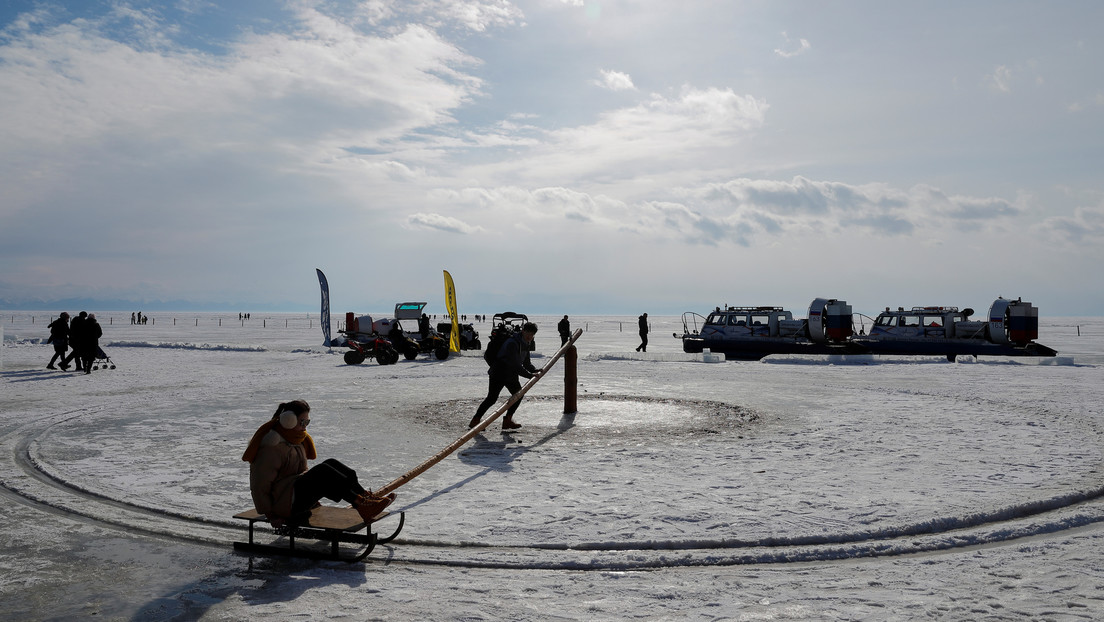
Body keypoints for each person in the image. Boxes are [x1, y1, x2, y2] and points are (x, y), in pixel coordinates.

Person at [243, 399, 395, 527]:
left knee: (331, 464)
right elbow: (259, 486)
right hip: (282, 504)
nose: (305, 426)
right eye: (302, 422)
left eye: (307, 422)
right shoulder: (271, 447)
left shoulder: (296, 440)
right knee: (323, 471)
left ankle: (365, 500)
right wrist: (271, 516)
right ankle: (362, 504)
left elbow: (303, 474)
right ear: (289, 421)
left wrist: (313, 498)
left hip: (294, 495)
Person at [469, 322, 542, 431]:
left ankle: (507, 420)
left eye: (532, 334)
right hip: (499, 372)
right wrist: (529, 375)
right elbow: (515, 364)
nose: (529, 336)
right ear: (523, 331)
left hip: (510, 374)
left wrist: (534, 370)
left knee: (518, 395)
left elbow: (526, 362)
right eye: (528, 333)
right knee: (492, 398)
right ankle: (475, 420)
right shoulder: (513, 343)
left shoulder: (526, 343)